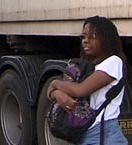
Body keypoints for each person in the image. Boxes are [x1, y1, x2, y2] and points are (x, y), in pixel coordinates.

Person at [46, 16, 127, 145]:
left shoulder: (113, 62)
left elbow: (80, 90)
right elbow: (55, 94)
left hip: (104, 134)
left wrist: (54, 83)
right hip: (85, 133)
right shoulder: (88, 66)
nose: (86, 41)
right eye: (83, 37)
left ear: (106, 39)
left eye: (92, 37)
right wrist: (57, 94)